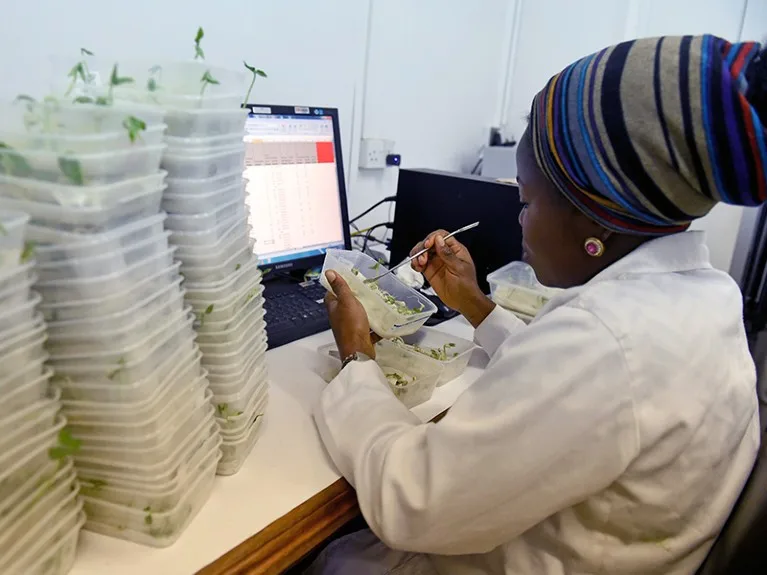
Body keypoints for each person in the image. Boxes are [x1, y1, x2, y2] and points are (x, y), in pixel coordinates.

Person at [308, 34, 766, 575]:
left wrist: (357, 355)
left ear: (596, 217)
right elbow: (564, 383)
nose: (519, 219)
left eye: (525, 198)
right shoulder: (707, 295)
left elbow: (410, 502)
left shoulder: (603, 341)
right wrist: (475, 305)